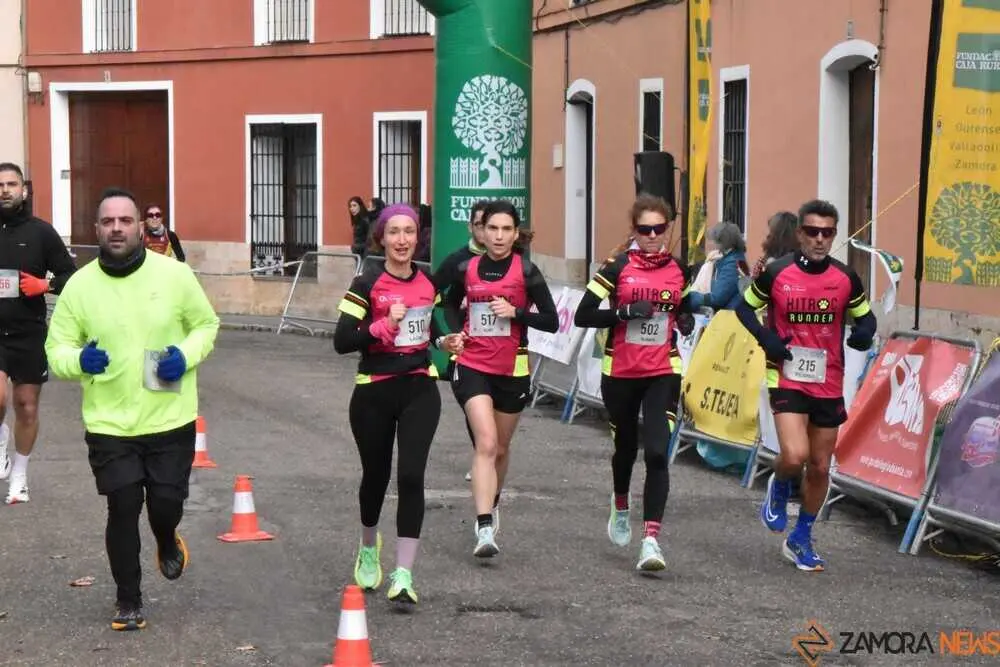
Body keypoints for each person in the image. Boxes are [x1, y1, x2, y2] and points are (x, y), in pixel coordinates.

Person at [45, 187, 220, 629]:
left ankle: (166, 537)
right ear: (96, 230)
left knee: (164, 505)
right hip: (110, 423)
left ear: (141, 227)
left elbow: (205, 325)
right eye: (108, 222)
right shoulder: (79, 286)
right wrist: (78, 361)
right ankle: (129, 601)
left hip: (169, 418)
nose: (117, 229)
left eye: (125, 220)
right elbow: (56, 348)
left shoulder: (174, 275)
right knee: (122, 506)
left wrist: (186, 355)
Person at [735, 199, 876, 572]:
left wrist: (863, 333)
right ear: (800, 233)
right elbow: (743, 308)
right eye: (812, 231)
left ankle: (801, 537)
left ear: (834, 235)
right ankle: (780, 485)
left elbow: (866, 317)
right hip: (786, 375)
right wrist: (766, 338)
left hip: (828, 380)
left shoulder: (845, 278)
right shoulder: (777, 272)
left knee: (819, 466)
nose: (819, 239)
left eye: (827, 233)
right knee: (795, 455)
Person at [334, 203, 462, 604]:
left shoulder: (427, 282)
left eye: (409, 232)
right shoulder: (366, 282)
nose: (402, 240)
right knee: (376, 476)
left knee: (410, 475)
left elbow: (432, 326)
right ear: (382, 238)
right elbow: (342, 340)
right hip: (373, 389)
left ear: (417, 238)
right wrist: (383, 325)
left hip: (419, 387)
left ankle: (404, 574)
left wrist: (444, 341)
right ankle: (369, 545)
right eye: (394, 232)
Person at [573, 194, 691, 571]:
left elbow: (683, 307)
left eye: (659, 229)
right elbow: (582, 315)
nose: (653, 236)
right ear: (634, 231)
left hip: (663, 370)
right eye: (645, 229)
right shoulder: (617, 267)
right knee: (625, 448)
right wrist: (623, 313)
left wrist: (685, 318)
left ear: (668, 229)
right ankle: (621, 500)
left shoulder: (679, 269)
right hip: (621, 371)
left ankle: (651, 541)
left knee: (656, 452)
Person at [440, 199, 558, 558]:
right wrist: (451, 334)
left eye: (507, 229)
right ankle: (484, 527)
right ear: (482, 230)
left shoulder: (527, 271)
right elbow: (442, 300)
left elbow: (552, 321)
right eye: (492, 228)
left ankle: (492, 504)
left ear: (516, 233)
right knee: (487, 443)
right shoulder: (465, 267)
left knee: (501, 449)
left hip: (512, 368)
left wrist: (516, 312)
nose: (499, 236)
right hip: (473, 363)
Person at [0, 162, 77, 503]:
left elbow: (71, 276)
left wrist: (45, 285)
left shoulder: (41, 232)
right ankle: (0, 438)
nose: (5, 190)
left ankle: (19, 474)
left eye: (11, 184)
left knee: (26, 406)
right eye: (0, 185)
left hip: (28, 333)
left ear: (24, 189)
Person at [432, 200, 489, 481]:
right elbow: (429, 293)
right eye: (480, 225)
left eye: (491, 226)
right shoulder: (457, 261)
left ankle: (490, 455)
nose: (486, 232)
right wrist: (450, 333)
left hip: (503, 348)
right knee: (475, 406)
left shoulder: (514, 260)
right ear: (470, 227)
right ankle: (483, 455)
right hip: (467, 345)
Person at [687, 221, 750, 312]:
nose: (712, 243)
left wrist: (692, 297)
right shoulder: (733, 258)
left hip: (729, 315)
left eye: (714, 240)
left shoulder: (732, 264)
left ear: (723, 242)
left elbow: (717, 299)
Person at [751, 211, 799, 279]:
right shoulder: (801, 260)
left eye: (771, 231)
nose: (768, 235)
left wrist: (756, 279)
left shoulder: (773, 265)